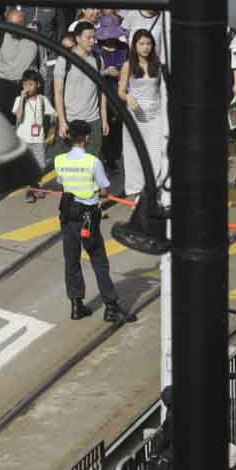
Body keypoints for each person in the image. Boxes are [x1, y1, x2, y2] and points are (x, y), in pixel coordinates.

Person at [55, 120, 134, 323]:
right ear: (87, 138)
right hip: (87, 218)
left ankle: (76, 305)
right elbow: (105, 189)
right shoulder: (93, 161)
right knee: (99, 260)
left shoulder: (60, 160)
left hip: (67, 216)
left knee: (71, 261)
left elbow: (61, 182)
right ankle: (111, 306)